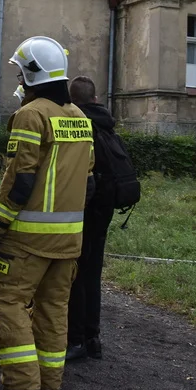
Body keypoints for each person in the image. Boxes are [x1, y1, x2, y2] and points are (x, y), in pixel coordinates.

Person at [0, 36, 95, 390]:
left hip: (27, 241)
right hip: (69, 242)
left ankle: (20, 388)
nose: (18, 81)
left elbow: (20, 181)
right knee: (52, 310)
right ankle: (49, 386)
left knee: (7, 301)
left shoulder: (31, 115)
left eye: (20, 73)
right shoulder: (79, 116)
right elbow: (89, 184)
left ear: (33, 73)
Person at [65, 76, 117, 362]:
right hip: (105, 207)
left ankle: (77, 340)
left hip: (84, 208)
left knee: (76, 275)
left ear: (73, 102)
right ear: (95, 98)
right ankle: (93, 338)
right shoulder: (107, 122)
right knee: (92, 273)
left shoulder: (80, 123)